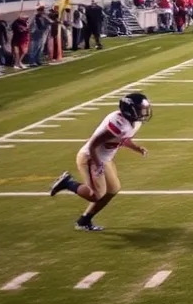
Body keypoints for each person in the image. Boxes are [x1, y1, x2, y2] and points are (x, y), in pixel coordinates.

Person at [49, 92, 152, 230]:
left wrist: (136, 148)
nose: (143, 112)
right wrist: (98, 164)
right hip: (90, 157)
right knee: (96, 195)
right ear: (130, 110)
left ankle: (84, 220)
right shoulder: (118, 123)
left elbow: (123, 138)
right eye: (140, 109)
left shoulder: (133, 123)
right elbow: (92, 145)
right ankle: (68, 183)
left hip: (104, 159)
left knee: (113, 189)